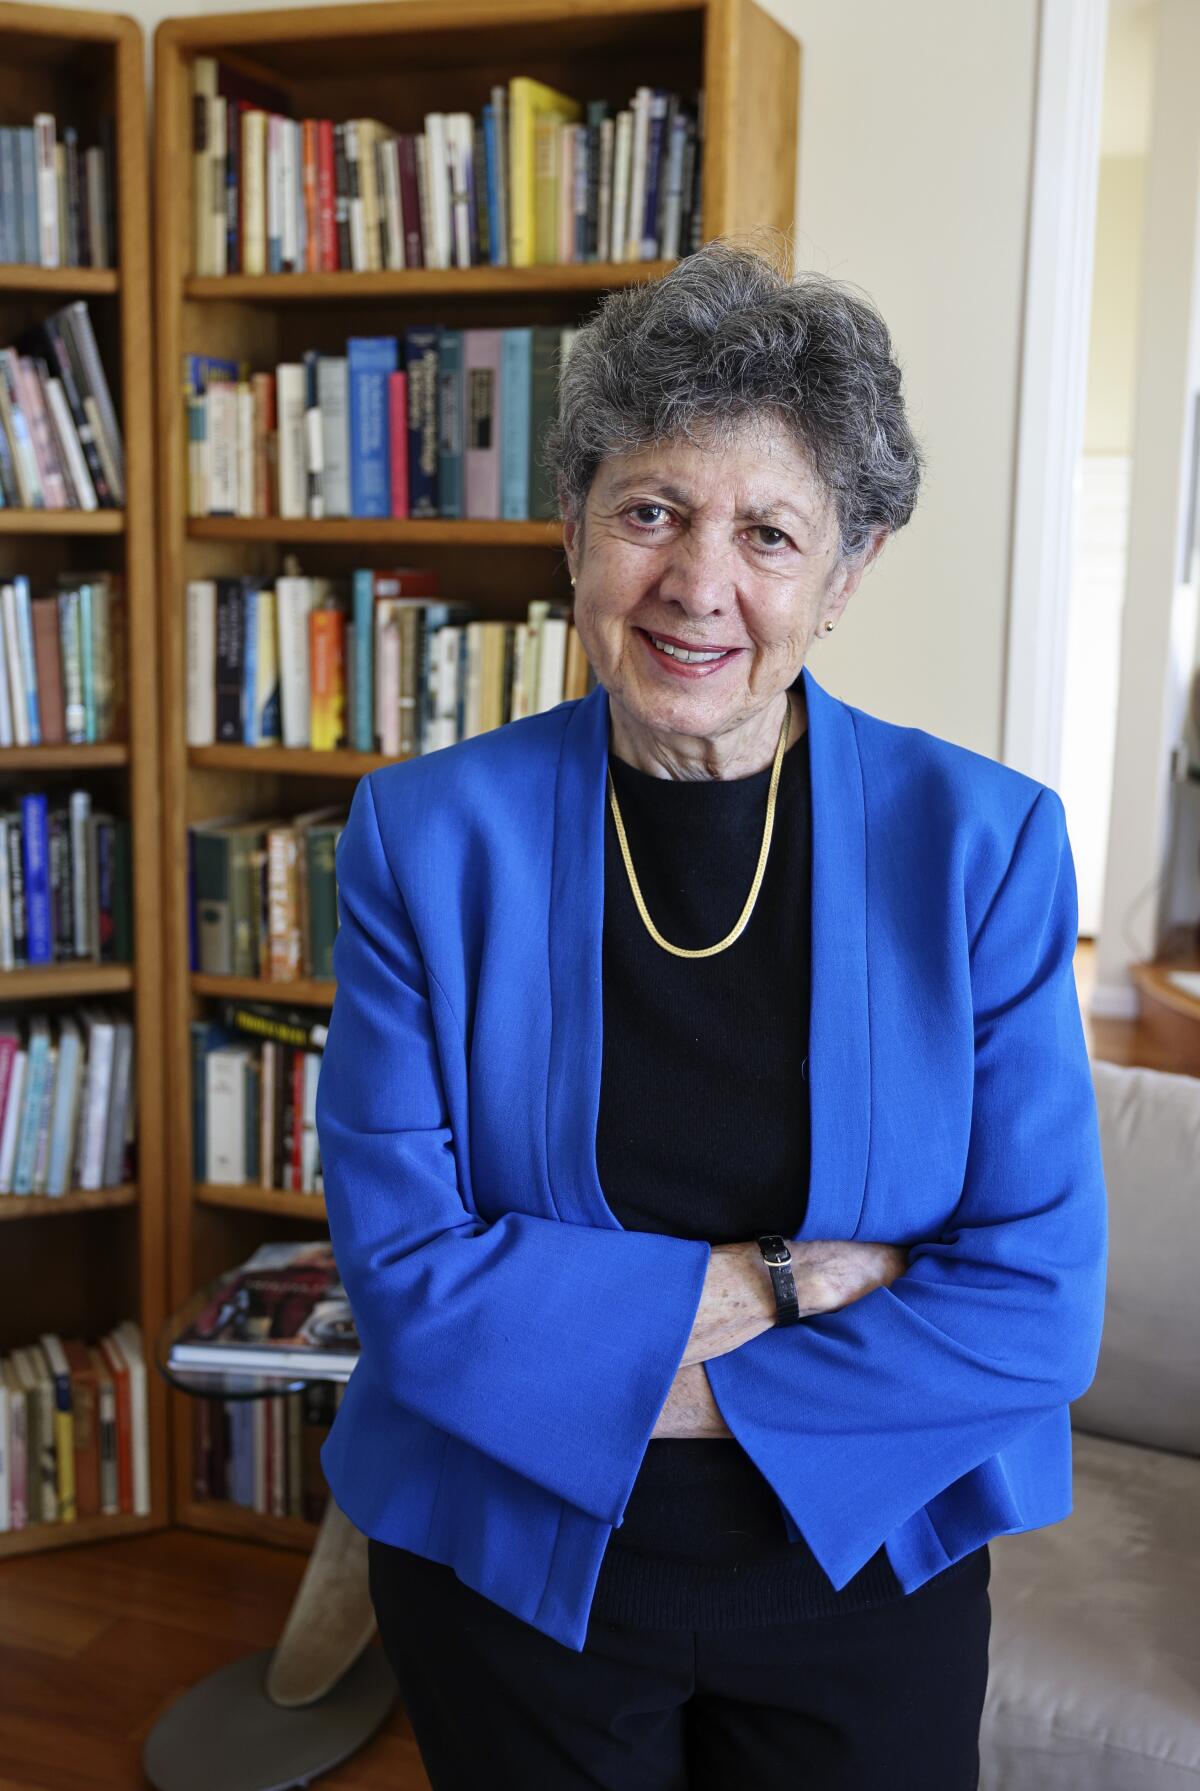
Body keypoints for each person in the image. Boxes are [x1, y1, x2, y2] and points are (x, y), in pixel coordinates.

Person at [313, 237, 1109, 1791]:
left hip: (867, 1561)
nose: (699, 585)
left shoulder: (986, 847)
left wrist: (584, 1338)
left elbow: (1035, 1307)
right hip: (513, 1567)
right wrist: (806, 1282)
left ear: (849, 572)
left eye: (769, 532)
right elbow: (410, 1284)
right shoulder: (424, 836)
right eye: (653, 511)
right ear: (574, 528)